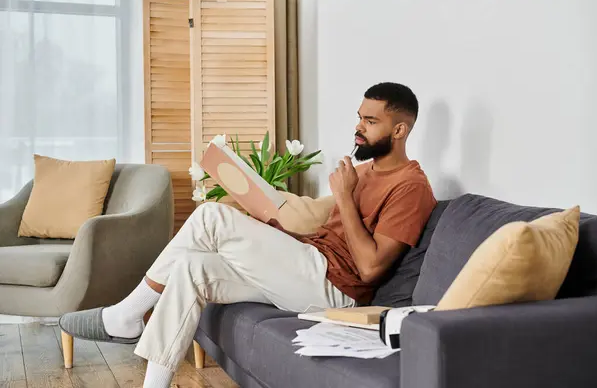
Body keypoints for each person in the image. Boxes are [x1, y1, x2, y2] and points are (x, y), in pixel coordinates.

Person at [59, 82, 437, 388]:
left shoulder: (411, 187)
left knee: (211, 216)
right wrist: (273, 219)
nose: (358, 127)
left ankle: (127, 314)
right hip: (306, 265)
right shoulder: (363, 172)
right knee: (193, 266)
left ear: (400, 130)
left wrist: (344, 197)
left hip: (335, 288)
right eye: (359, 117)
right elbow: (324, 230)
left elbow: (370, 269)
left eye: (370, 121)